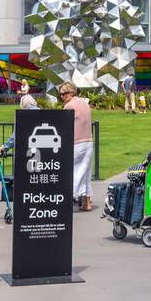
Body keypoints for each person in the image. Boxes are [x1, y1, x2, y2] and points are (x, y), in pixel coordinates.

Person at [59, 83, 94, 212]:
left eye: (63, 94)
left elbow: (63, 125)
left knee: (72, 172)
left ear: (70, 93)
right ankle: (87, 203)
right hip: (88, 141)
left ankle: (69, 198)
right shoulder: (85, 103)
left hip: (75, 142)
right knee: (86, 172)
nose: (62, 97)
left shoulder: (69, 106)